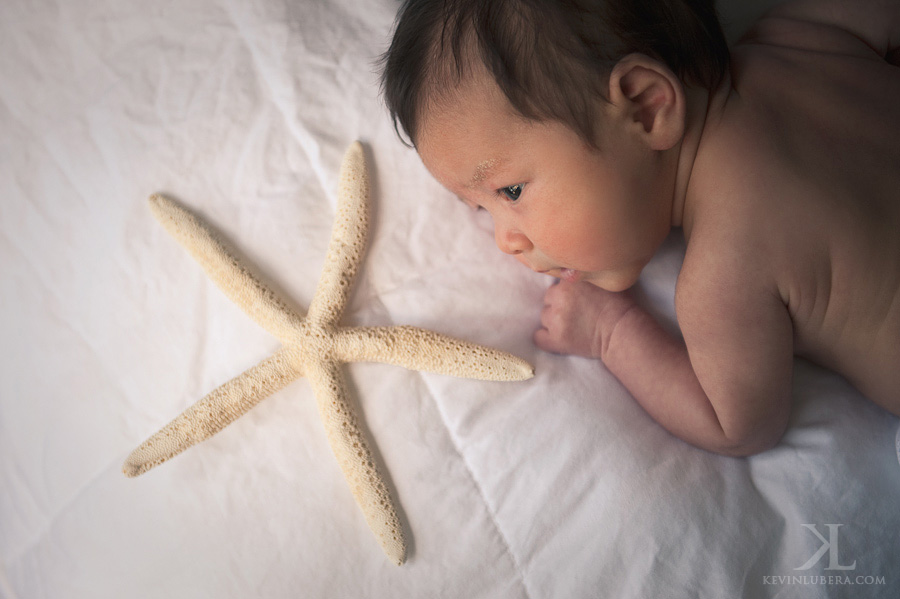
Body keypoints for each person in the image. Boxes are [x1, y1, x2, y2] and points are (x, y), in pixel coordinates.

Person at [379, 0, 900, 456]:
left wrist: (612, 334)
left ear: (647, 108)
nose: (505, 239)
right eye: (480, 209)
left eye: (510, 192)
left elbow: (737, 426)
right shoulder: (801, 37)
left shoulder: (727, 274)